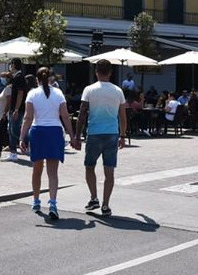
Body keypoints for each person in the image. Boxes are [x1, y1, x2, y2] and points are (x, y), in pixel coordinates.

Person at [19, 67, 79, 220]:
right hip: (55, 131)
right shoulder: (58, 93)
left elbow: (27, 117)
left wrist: (21, 137)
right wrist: (72, 135)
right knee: (53, 172)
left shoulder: (32, 93)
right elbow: (65, 117)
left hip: (38, 131)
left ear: (37, 79)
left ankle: (36, 200)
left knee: (37, 169)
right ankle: (52, 203)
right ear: (51, 78)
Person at [76, 59, 127, 217]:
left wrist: (77, 135)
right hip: (112, 133)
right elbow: (123, 116)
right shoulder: (118, 91)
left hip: (94, 133)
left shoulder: (89, 90)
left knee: (89, 166)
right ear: (110, 72)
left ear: (96, 72)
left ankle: (94, 198)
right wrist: (123, 135)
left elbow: (82, 113)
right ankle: (105, 205)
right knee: (109, 172)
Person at [7, 58, 28, 162]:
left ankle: (13, 152)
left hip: (17, 109)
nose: (10, 66)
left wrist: (16, 109)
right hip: (16, 108)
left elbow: (20, 94)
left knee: (13, 130)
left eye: (11, 64)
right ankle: (17, 149)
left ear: (14, 65)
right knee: (13, 129)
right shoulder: (16, 77)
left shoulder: (19, 77)